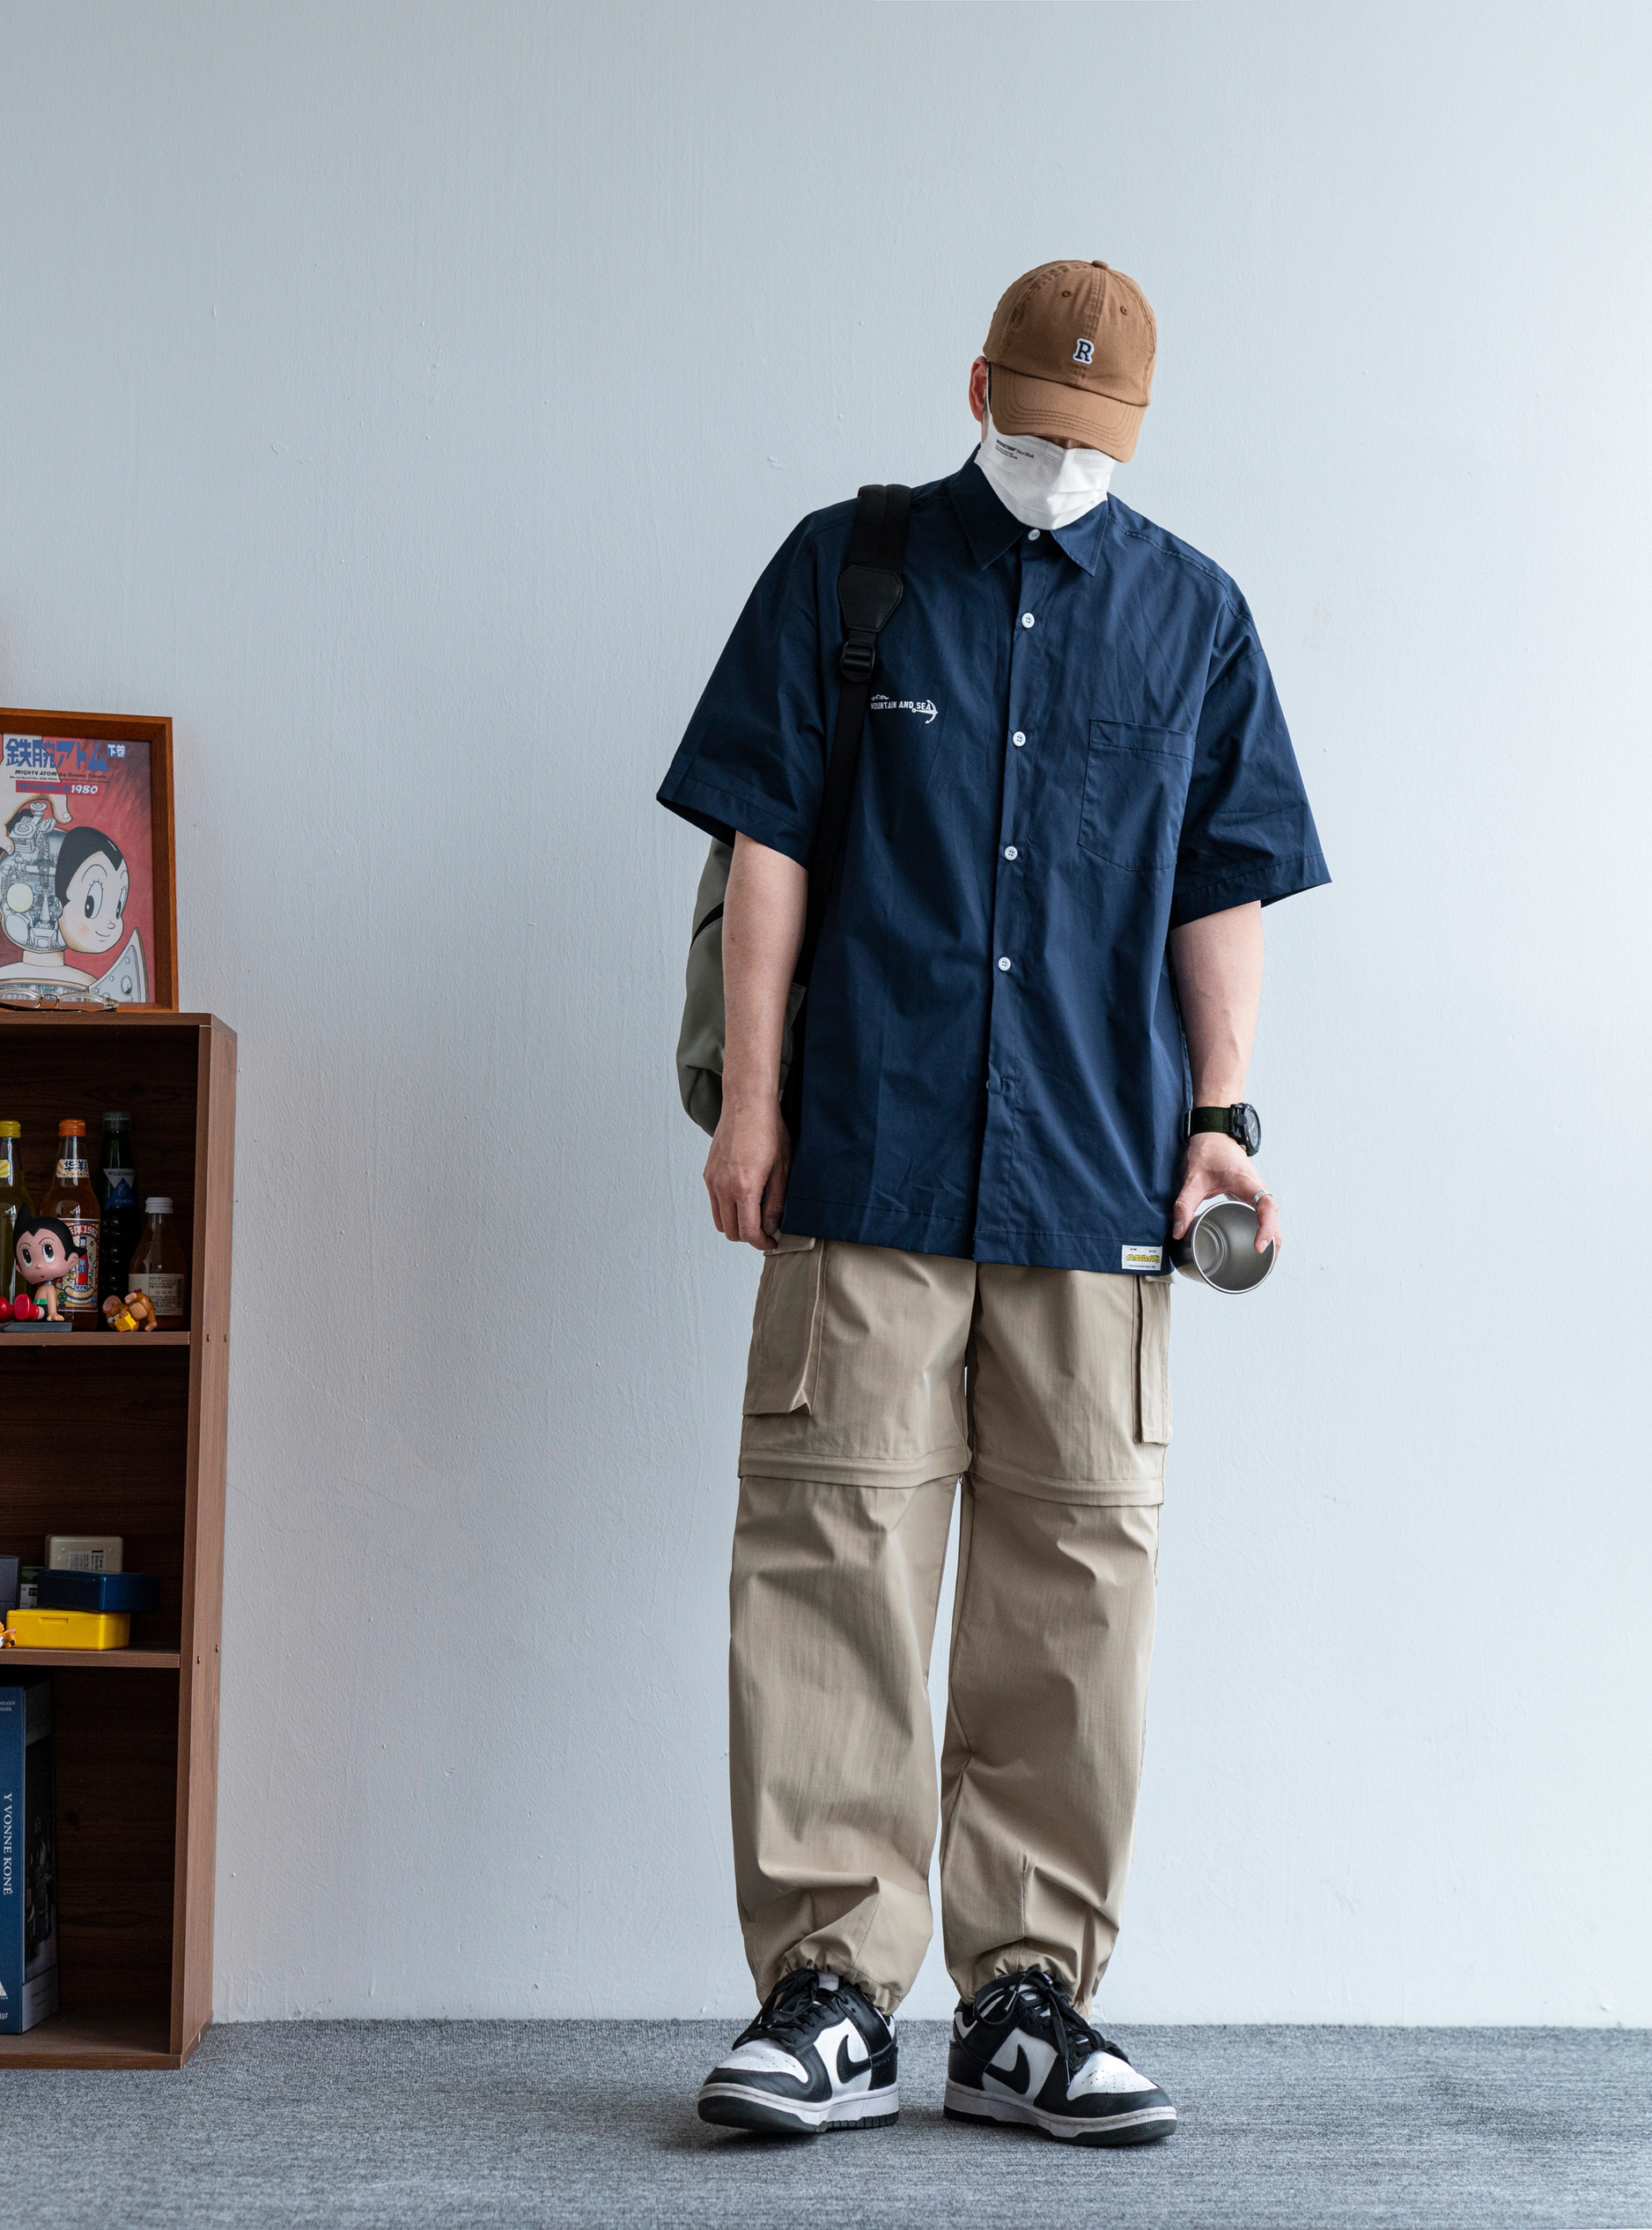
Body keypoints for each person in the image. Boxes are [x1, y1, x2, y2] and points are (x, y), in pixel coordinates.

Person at [657, 258, 1329, 2146]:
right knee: (831, 1565)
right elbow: (769, 850)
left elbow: (1222, 887)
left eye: (1094, 440)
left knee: (1076, 1590)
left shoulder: (1194, 616)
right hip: (865, 1159)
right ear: (976, 390)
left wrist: (1223, 1119)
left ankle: (1027, 2002)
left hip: (1100, 1179)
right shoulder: (845, 570)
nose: (1060, 462)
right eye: (1035, 427)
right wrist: (751, 1109)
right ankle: (829, 1995)